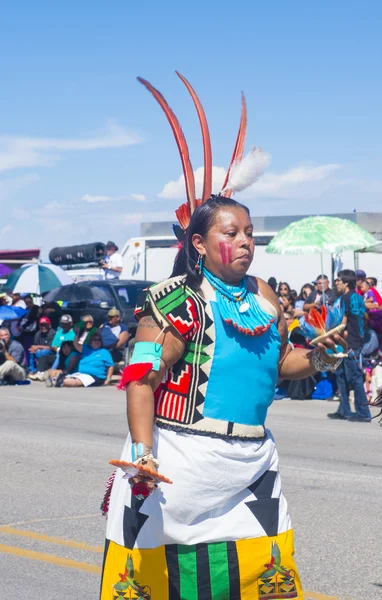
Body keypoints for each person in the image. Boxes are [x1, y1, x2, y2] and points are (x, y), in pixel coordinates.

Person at [100, 74, 346, 600]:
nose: (244, 242)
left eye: (249, 233)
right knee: (162, 581)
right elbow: (141, 377)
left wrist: (319, 359)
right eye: (229, 233)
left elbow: (280, 364)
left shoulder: (263, 294)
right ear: (199, 242)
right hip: (179, 461)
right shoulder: (174, 299)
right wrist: (144, 454)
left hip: (253, 462)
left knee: (264, 578)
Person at [328, 270, 372, 422]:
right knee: (341, 375)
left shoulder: (345, 298)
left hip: (348, 343)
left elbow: (342, 323)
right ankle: (344, 410)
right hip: (356, 340)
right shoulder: (358, 297)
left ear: (346, 282)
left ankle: (364, 412)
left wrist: (328, 334)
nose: (336, 283)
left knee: (354, 377)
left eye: (339, 280)